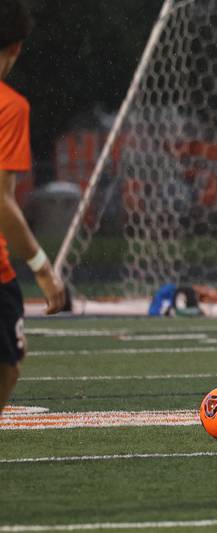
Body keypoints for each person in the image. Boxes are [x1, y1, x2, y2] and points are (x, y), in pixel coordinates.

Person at [0, 0, 66, 414]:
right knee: (7, 367)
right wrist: (43, 268)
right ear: (18, 47)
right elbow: (0, 201)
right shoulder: (9, 107)